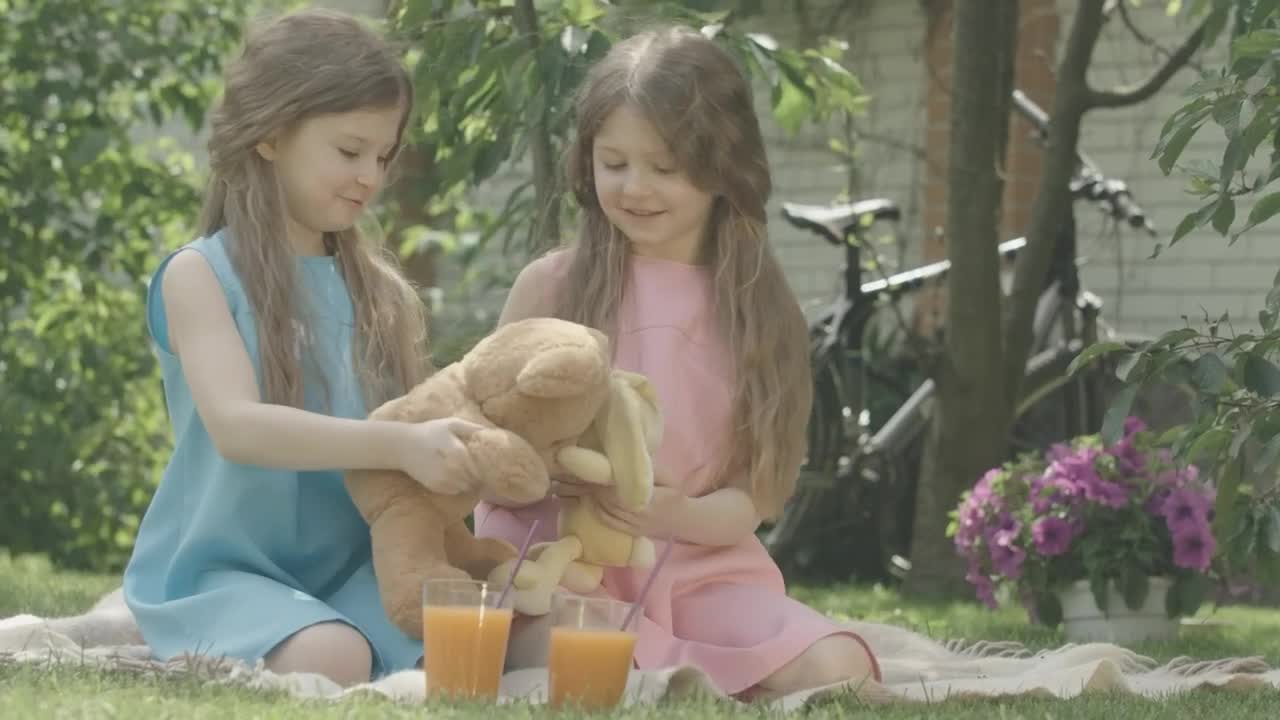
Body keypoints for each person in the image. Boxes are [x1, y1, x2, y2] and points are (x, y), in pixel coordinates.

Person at [474, 25, 882, 699]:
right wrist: (548, 475)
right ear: (586, 161)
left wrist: (671, 516)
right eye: (614, 163)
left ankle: (676, 676)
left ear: (726, 168)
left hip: (702, 575)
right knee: (590, 656)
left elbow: (752, 498)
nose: (636, 188)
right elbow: (488, 447)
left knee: (841, 666)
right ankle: (657, 678)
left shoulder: (760, 310)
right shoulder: (549, 287)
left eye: (666, 168)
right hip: (562, 572)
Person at [121, 9, 482, 687]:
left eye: (383, 156)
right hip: (224, 570)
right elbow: (240, 429)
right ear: (270, 135)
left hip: (359, 568)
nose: (370, 177)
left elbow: (425, 424)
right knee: (333, 657)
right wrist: (401, 445)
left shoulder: (380, 292)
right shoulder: (200, 276)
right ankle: (153, 622)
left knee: (487, 634)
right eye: (350, 152)